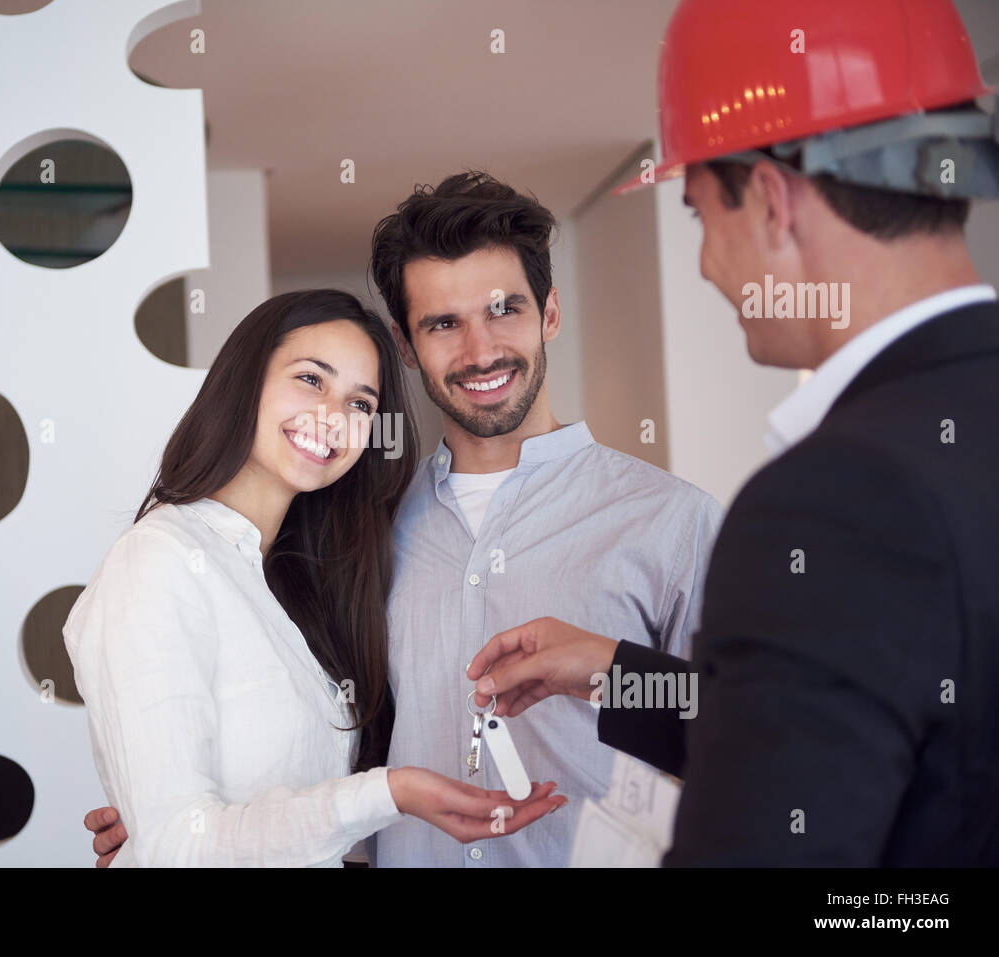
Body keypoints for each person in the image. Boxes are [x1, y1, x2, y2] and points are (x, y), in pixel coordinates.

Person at [467, 0, 999, 865]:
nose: (710, 263)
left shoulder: (833, 500)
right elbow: (842, 723)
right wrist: (614, 666)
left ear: (774, 200)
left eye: (700, 216)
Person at [87, 175, 724, 866]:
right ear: (407, 343)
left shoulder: (671, 520)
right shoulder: (360, 533)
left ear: (550, 313)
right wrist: (181, 823)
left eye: (504, 310)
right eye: (444, 323)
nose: (480, 351)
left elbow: (754, 736)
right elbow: (331, 753)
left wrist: (610, 670)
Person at [63, 288, 566, 867]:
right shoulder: (158, 561)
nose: (333, 418)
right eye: (310, 379)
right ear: (245, 378)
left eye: (360, 404)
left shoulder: (298, 584)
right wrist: (390, 792)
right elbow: (180, 847)